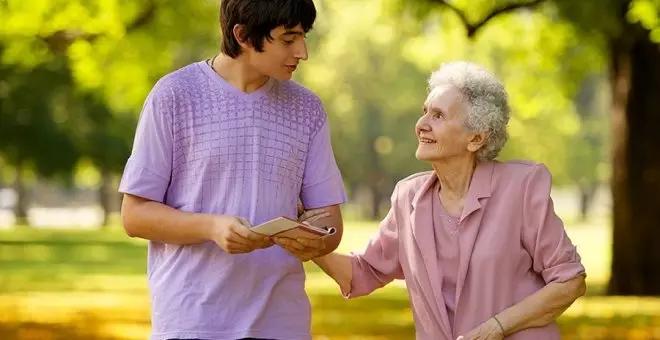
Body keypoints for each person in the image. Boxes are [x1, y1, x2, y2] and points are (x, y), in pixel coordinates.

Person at [290, 61, 586, 340]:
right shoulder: (408, 198)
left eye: (438, 115)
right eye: (425, 111)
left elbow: (570, 280)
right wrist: (301, 235)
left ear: (476, 139)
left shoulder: (520, 188)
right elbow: (361, 273)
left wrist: (497, 327)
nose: (421, 124)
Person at [117, 1, 346, 339]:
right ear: (242, 35)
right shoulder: (174, 96)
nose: (302, 52)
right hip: (191, 322)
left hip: (281, 324)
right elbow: (134, 216)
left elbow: (330, 220)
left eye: (303, 37)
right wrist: (212, 227)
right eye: (288, 39)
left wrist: (317, 240)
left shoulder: (307, 109)